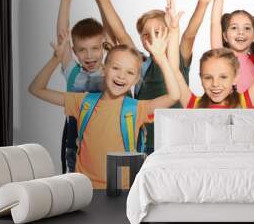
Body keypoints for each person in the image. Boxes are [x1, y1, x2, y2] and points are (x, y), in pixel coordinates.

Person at [28, 28, 180, 189]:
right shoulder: (83, 102)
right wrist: (55, 59)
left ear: (136, 80)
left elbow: (174, 95)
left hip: (122, 191)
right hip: (84, 188)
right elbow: (36, 89)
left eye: (129, 72)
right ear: (104, 69)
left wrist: (161, 58)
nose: (121, 76)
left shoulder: (136, 108)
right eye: (116, 68)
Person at [84, 0, 216, 153]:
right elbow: (121, 34)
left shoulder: (177, 58)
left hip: (177, 139)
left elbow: (189, 35)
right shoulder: (140, 62)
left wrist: (203, 2)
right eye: (146, 34)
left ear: (170, 33)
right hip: (145, 139)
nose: (152, 37)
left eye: (158, 31)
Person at [166, 0, 254, 108]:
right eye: (208, 77)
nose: (215, 84)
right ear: (200, 77)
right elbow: (174, 70)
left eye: (223, 77)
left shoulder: (243, 103)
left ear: (235, 78)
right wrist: (173, 30)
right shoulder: (195, 105)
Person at [51, 0, 112, 173]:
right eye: (82, 50)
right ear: (75, 52)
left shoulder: (113, 70)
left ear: (103, 47)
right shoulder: (73, 73)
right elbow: (62, 36)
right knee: (78, 193)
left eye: (95, 48)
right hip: (75, 145)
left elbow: (110, 34)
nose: (89, 55)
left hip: (107, 143)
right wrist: (65, 0)